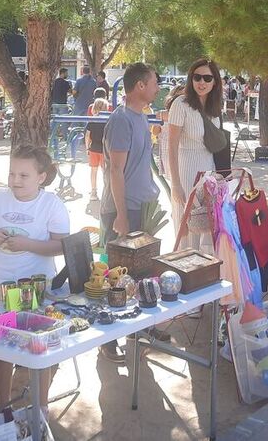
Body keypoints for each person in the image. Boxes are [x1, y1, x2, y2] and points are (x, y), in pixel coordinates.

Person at [0, 144, 70, 404]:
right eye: (12, 174)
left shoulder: (51, 204)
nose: (15, 181)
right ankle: (2, 406)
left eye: (23, 175)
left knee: (39, 348)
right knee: (0, 348)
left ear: (41, 177)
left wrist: (28, 245)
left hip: (36, 290)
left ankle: (40, 407)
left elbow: (62, 244)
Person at [100, 63, 160, 362]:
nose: (157, 88)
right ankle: (107, 338)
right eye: (153, 83)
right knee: (115, 275)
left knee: (140, 274)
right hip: (125, 209)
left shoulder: (141, 117)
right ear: (139, 86)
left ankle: (139, 328)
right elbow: (116, 170)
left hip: (143, 206)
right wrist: (121, 215)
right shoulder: (121, 120)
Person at [168, 58, 222, 253]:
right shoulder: (180, 104)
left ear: (214, 81)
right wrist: (175, 183)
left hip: (208, 171)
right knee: (187, 228)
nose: (202, 82)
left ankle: (206, 274)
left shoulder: (214, 107)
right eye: (197, 77)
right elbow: (171, 146)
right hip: (186, 172)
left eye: (207, 78)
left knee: (208, 226)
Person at [85, 97, 109, 202]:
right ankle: (106, 191)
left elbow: (87, 135)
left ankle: (93, 192)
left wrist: (87, 148)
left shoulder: (92, 119)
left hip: (94, 148)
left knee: (93, 171)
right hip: (104, 149)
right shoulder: (108, 120)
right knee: (105, 171)